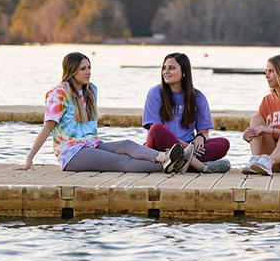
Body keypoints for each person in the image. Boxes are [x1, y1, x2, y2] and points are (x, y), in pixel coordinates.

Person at [19, 52, 192, 173]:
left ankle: (165, 157)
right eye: (83, 69)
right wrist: (29, 158)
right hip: (71, 154)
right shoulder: (59, 94)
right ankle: (174, 165)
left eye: (89, 67)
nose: (88, 72)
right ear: (71, 71)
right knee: (122, 161)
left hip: (92, 145)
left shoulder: (90, 90)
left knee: (126, 144)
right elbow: (47, 128)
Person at [143, 52, 231, 173]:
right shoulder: (155, 93)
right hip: (160, 149)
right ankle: (199, 166)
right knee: (157, 129)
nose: (166, 72)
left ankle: (179, 163)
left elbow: (204, 133)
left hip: (190, 148)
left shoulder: (198, 97)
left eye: (171, 68)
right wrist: (187, 148)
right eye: (164, 68)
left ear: (184, 72)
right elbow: (154, 131)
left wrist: (200, 138)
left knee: (223, 143)